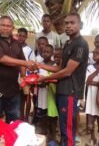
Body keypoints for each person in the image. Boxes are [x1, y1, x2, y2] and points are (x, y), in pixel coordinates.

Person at [37, 13, 89, 145]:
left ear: (80, 25)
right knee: (64, 126)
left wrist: (44, 79)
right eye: (66, 23)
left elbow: (67, 71)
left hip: (70, 92)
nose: (69, 26)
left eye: (72, 23)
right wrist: (39, 65)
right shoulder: (68, 43)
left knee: (68, 129)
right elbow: (61, 68)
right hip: (62, 91)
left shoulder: (80, 44)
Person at [0, 15, 36, 123]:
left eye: (8, 26)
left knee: (14, 121)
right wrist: (25, 63)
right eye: (2, 25)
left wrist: (23, 78)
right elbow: (3, 59)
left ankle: (11, 139)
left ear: (12, 28)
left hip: (13, 90)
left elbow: (21, 61)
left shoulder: (16, 43)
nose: (5, 28)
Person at [85, 46, 99, 146]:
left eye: (97, 53)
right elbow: (88, 81)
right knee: (90, 124)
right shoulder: (90, 67)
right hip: (91, 98)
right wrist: (97, 71)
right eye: (93, 53)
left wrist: (96, 83)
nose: (94, 55)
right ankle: (92, 138)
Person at [17, 27, 35, 121]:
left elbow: (32, 64)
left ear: (26, 37)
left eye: (23, 36)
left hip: (26, 77)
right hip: (15, 77)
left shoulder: (29, 50)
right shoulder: (14, 47)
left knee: (26, 97)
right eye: (19, 35)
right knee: (18, 98)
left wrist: (29, 78)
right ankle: (19, 117)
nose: (21, 38)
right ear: (17, 35)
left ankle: (26, 117)